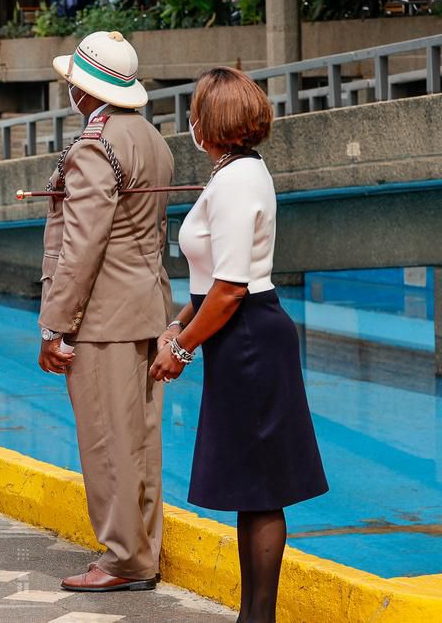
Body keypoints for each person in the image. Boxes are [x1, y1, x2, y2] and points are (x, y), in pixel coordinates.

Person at [149, 67, 328, 621]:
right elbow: (214, 283)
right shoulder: (235, 173)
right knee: (253, 487)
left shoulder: (236, 180)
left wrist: (181, 351)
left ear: (212, 122)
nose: (191, 121)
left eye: (197, 111)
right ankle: (255, 616)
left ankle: (259, 617)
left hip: (248, 334)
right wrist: (181, 323)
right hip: (241, 331)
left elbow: (230, 291)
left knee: (262, 486)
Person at [38, 31, 172, 593]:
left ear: (85, 91)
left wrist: (55, 323)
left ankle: (123, 559)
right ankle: (142, 550)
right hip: (147, 307)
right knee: (139, 439)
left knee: (105, 441)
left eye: (73, 83)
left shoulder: (96, 146)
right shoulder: (152, 139)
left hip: (104, 318)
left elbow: (81, 247)